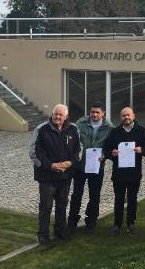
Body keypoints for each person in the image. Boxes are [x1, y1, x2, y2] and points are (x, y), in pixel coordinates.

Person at [29, 104, 80, 244]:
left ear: (66, 117)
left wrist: (70, 163)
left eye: (60, 115)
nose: (57, 117)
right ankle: (43, 234)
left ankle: (60, 230)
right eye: (55, 114)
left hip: (65, 176)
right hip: (47, 177)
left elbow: (78, 150)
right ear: (51, 114)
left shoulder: (73, 129)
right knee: (46, 207)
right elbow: (34, 153)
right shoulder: (41, 129)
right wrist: (50, 165)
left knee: (62, 204)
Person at [67, 102, 114, 235]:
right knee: (76, 194)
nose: (94, 114)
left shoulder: (109, 127)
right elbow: (72, 141)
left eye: (97, 112)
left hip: (97, 166)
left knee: (94, 195)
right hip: (80, 166)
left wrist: (105, 155)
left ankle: (91, 221)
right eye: (92, 112)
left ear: (103, 113)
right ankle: (72, 221)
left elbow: (111, 146)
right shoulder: (80, 123)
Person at [103, 107, 145, 236]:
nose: (126, 118)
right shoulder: (114, 132)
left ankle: (131, 223)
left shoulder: (141, 131)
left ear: (133, 116)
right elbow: (107, 150)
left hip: (134, 172)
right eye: (123, 116)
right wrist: (112, 153)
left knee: (132, 199)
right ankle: (117, 225)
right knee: (118, 199)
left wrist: (142, 150)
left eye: (128, 115)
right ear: (120, 117)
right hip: (119, 173)